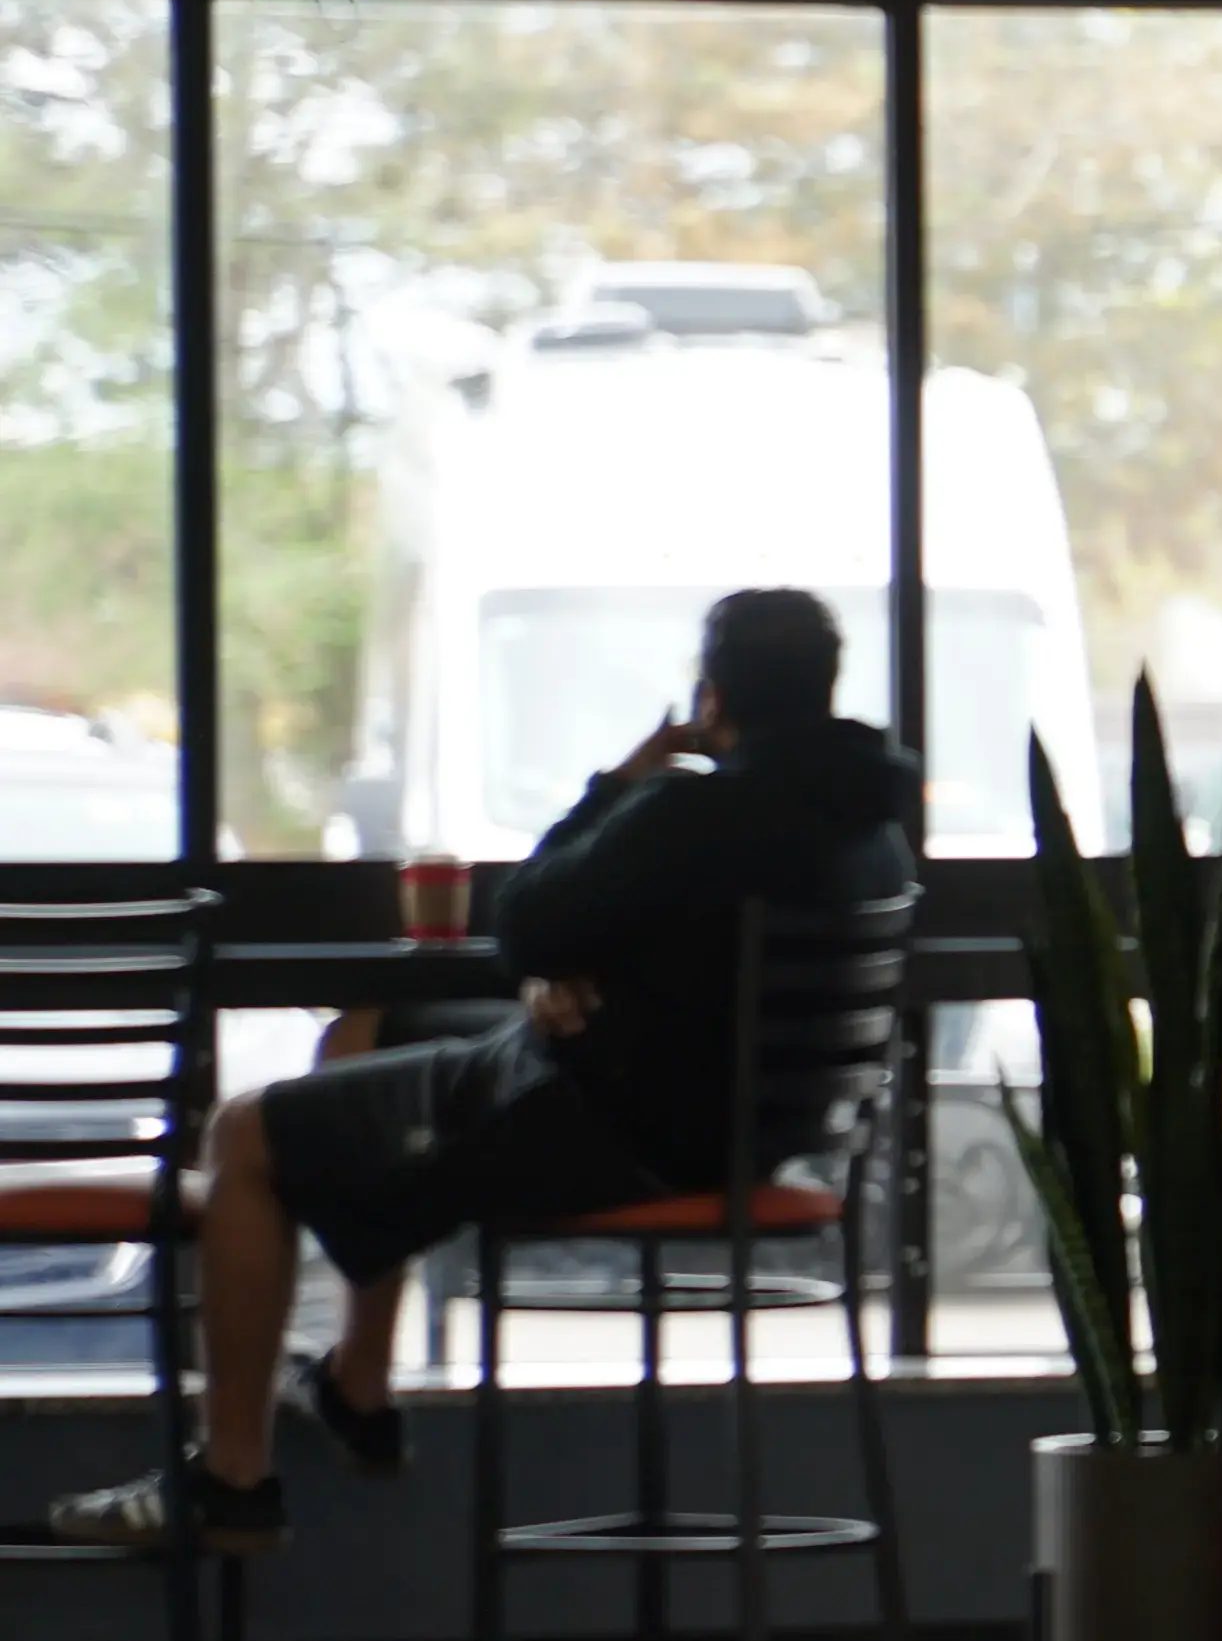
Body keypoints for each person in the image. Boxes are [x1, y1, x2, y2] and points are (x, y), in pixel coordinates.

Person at [32, 587, 920, 1554]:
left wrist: (619, 784)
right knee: (376, 1029)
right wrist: (569, 976)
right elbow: (674, 953)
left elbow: (527, 917)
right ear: (827, 692)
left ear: (711, 701)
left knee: (246, 1132)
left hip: (614, 1127)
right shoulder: (872, 826)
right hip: (744, 1132)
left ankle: (231, 1480)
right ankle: (357, 1385)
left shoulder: (692, 812)